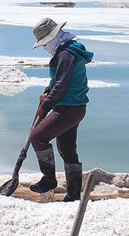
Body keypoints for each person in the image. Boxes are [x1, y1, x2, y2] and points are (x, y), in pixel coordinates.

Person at [28, 18, 94, 200]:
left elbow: (62, 85)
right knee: (67, 150)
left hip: (67, 109)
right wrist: (48, 91)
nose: (44, 47)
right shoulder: (69, 51)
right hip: (75, 107)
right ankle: (73, 196)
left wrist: (45, 106)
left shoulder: (65, 55)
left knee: (37, 137)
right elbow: (60, 82)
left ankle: (49, 179)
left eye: (45, 43)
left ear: (53, 37)